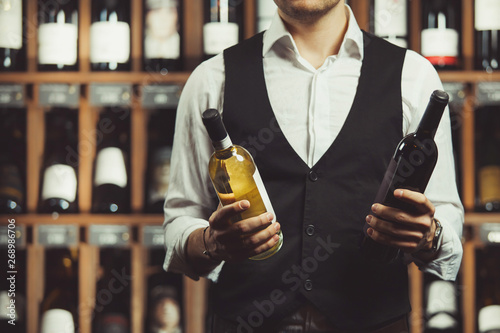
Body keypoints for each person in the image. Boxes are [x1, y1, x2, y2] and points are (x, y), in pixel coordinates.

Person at [163, 1, 464, 332]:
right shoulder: (210, 80)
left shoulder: (414, 76)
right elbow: (180, 219)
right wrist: (211, 241)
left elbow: (445, 220)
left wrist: (428, 235)